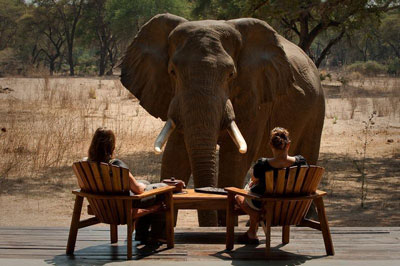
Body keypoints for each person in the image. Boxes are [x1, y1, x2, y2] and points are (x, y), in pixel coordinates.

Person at [86, 127, 167, 245]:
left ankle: (142, 234)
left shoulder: (86, 165)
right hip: (123, 208)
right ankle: (156, 235)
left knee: (147, 183)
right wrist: (145, 187)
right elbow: (138, 190)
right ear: (111, 146)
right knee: (162, 189)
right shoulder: (116, 165)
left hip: (102, 207)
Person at [235, 127, 308, 244]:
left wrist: (253, 182)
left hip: (265, 206)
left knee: (239, 195)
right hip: (291, 207)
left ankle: (255, 216)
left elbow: (255, 179)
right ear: (288, 145)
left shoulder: (262, 164)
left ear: (271, 145)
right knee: (254, 190)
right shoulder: (301, 162)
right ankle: (251, 233)